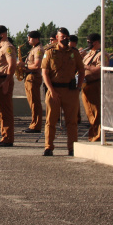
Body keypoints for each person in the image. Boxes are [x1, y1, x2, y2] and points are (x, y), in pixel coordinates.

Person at [41, 27, 85, 156]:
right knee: (51, 121)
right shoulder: (49, 52)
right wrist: (51, 90)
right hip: (53, 90)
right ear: (57, 37)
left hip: (70, 91)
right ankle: (48, 147)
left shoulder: (74, 53)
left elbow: (81, 71)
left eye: (67, 36)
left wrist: (78, 88)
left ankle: (72, 148)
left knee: (72, 121)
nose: (65, 38)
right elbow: (45, 73)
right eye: (62, 36)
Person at [0, 25, 17, 147]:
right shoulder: (0, 47)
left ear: (2, 34)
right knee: (1, 110)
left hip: (3, 80)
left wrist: (6, 82)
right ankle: (4, 136)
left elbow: (12, 65)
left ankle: (8, 138)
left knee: (5, 110)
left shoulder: (8, 47)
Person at [21, 31, 45, 133]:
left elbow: (37, 65)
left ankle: (36, 125)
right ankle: (34, 123)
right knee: (32, 102)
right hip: (29, 77)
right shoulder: (34, 49)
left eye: (29, 38)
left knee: (35, 102)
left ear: (35, 39)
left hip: (33, 76)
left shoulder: (38, 49)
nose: (28, 40)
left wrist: (24, 66)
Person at [81, 33, 103, 142]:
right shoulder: (89, 54)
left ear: (96, 42)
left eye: (90, 41)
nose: (88, 43)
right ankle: (93, 134)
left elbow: (99, 69)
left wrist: (85, 66)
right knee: (89, 112)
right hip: (86, 85)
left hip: (95, 84)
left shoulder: (101, 54)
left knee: (96, 112)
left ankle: (97, 135)